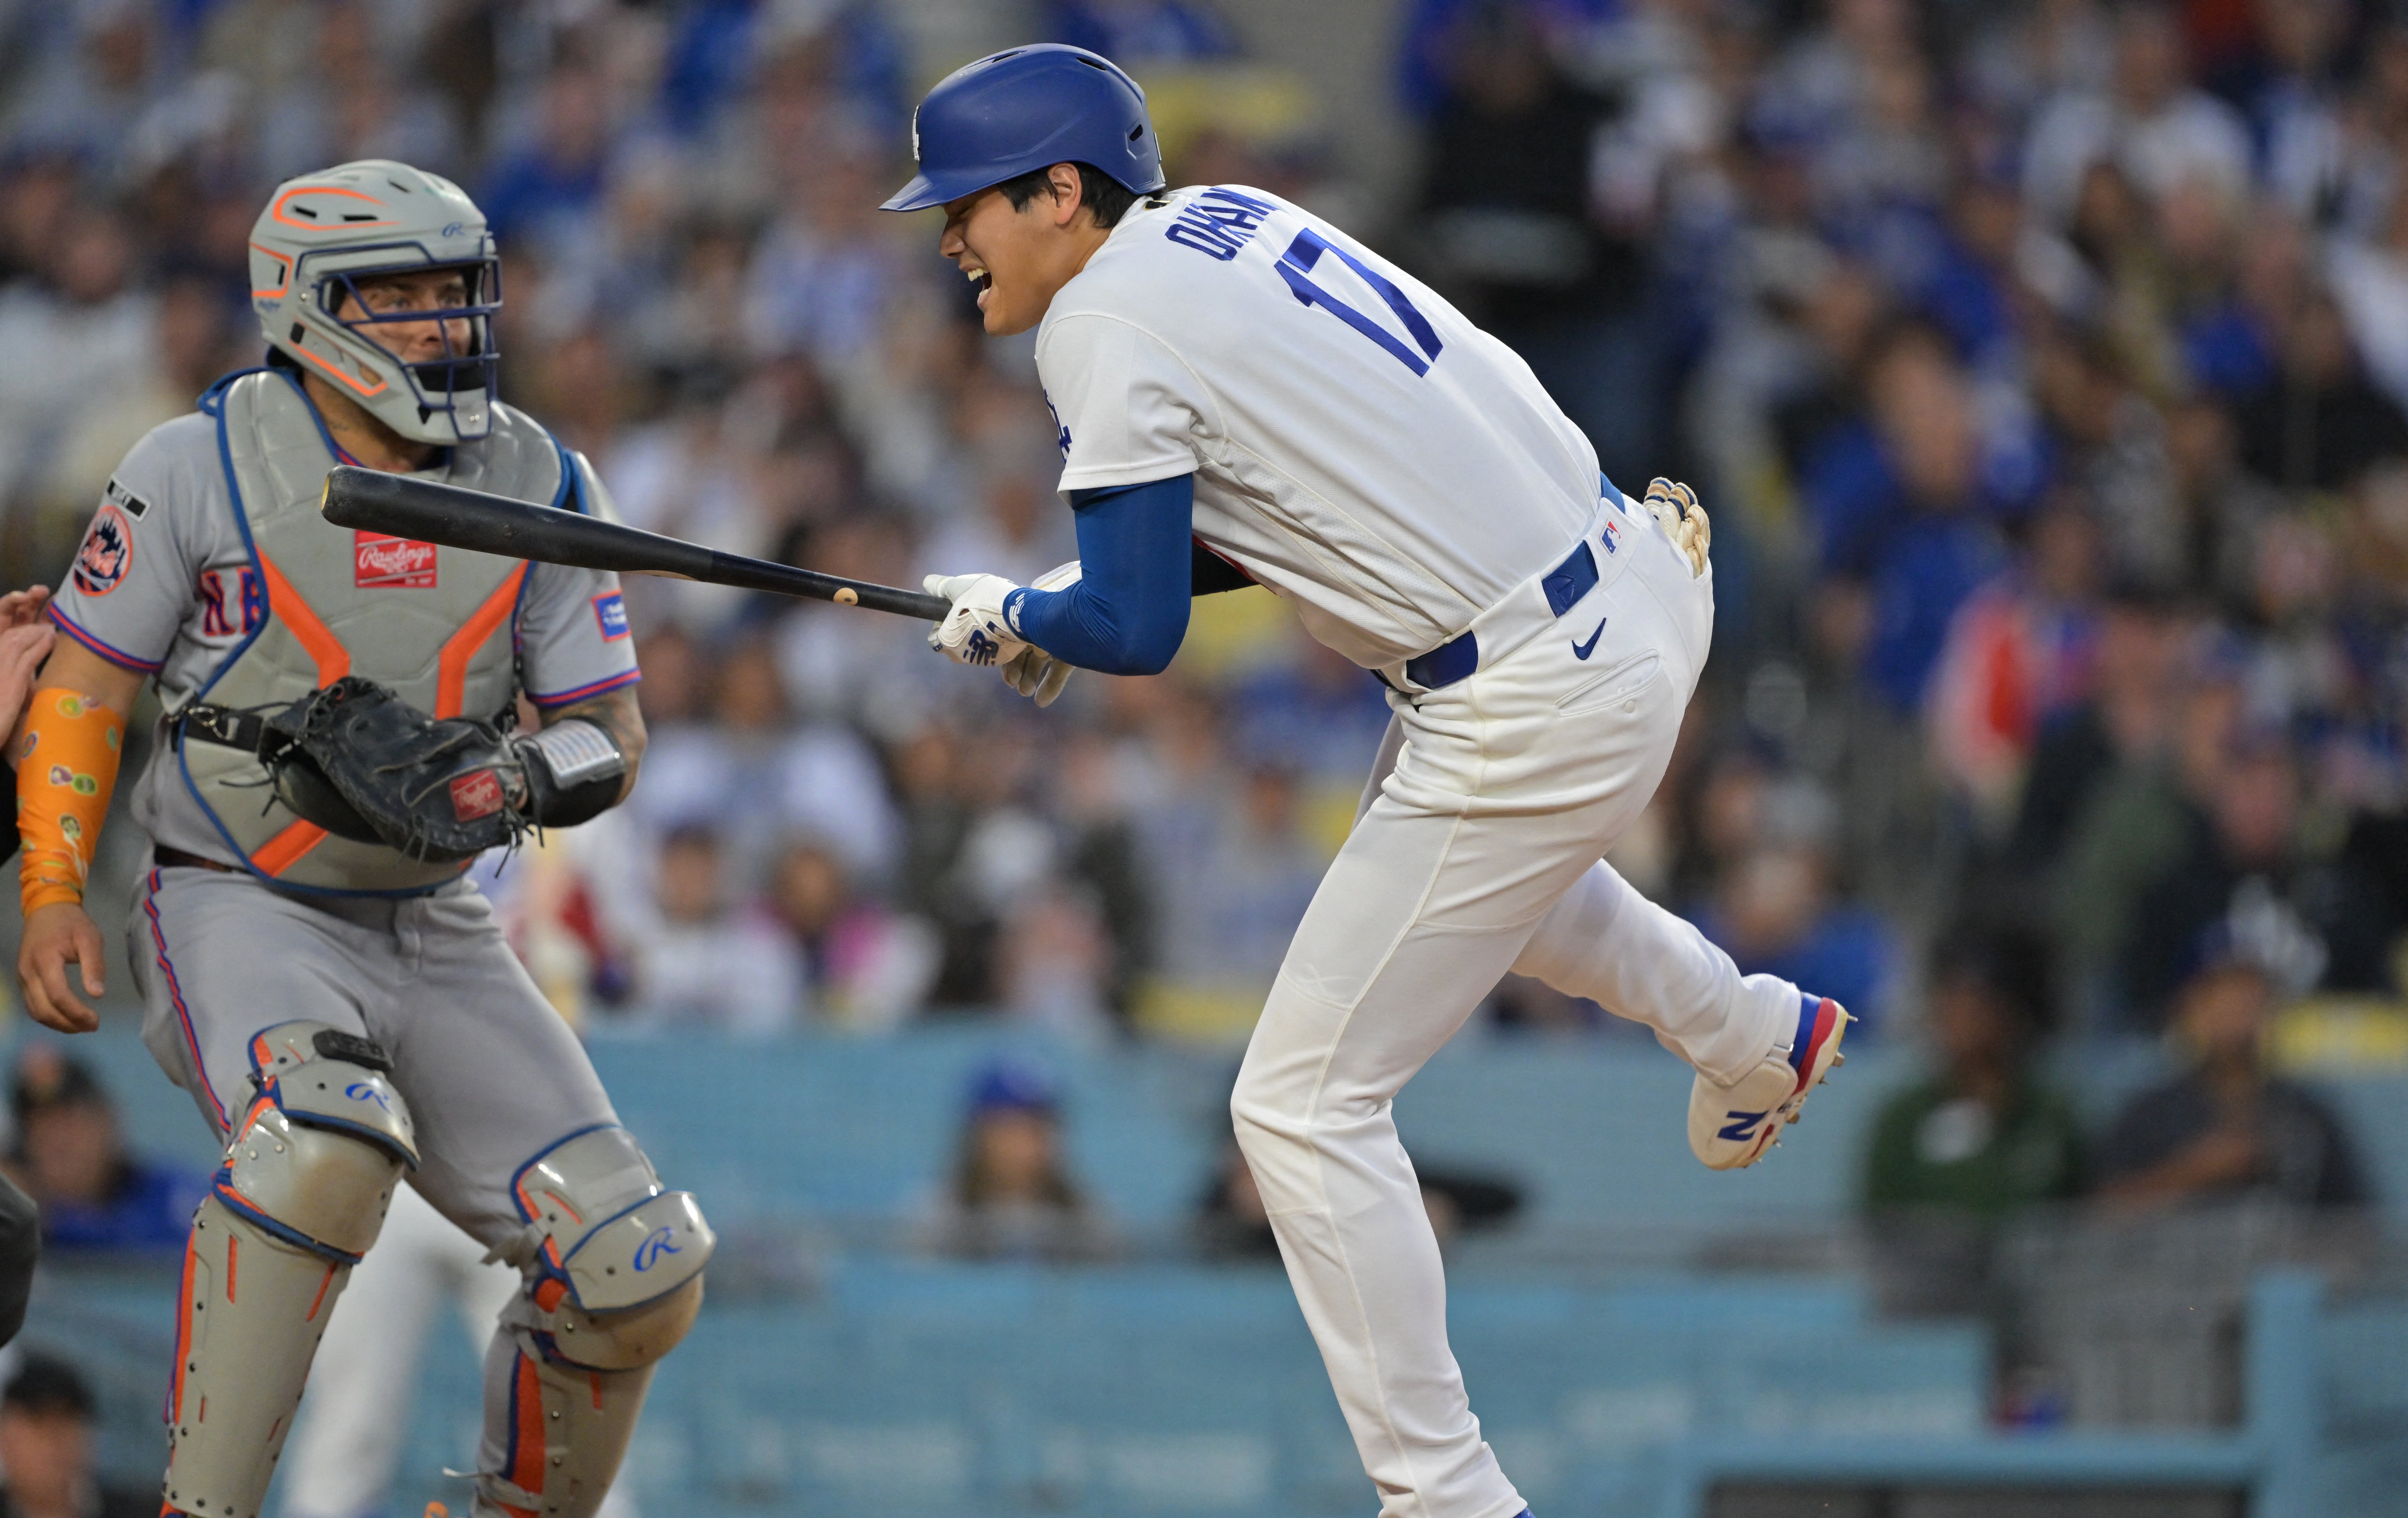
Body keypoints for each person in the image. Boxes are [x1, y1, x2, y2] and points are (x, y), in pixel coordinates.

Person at [891, 47, 1851, 1518]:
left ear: (1059, 191)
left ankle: (1445, 1493)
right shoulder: (1217, 219)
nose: (950, 237)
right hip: (1626, 579)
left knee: (1295, 1105)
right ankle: (1751, 1032)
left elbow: (1138, 621)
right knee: (1504, 898)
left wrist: (1037, 616)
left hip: (1529, 686)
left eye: (967, 205)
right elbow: (1251, 517)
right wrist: (1054, 602)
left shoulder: (1091, 322)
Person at [13, 161, 713, 1518]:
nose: (438, 323)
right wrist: (52, 888)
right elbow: (84, 692)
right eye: (394, 294)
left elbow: (608, 733)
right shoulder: (192, 463)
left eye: (452, 292)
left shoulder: (544, 476)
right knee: (319, 1143)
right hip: (240, 892)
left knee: (636, 1265)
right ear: (302, 306)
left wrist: (512, 778)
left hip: (439, 920)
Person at [2095, 938, 2370, 1211]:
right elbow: (2099, 1217)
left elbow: (2356, 1226)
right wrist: (2197, 1171)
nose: (2237, 1016)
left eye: (2250, 1002)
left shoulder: (2306, 1116)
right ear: (2190, 1009)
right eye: (2222, 1001)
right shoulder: (2148, 1116)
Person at [911, 1059, 1116, 1263]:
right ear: (979, 1137)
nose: (1024, 1146)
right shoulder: (937, 1213)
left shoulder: (1085, 1216)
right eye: (1010, 1130)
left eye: (1035, 1130)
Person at [6, 1046, 204, 1255]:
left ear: (108, 1120)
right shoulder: (16, 1219)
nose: (58, 1142)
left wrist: (51, 1225)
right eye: (40, 1128)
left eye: (71, 1121)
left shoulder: (171, 1197)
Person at [0, 1353, 153, 1518]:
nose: (54, 1440)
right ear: (6, 1435)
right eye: (38, 1422)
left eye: (66, 1422)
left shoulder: (139, 1511)